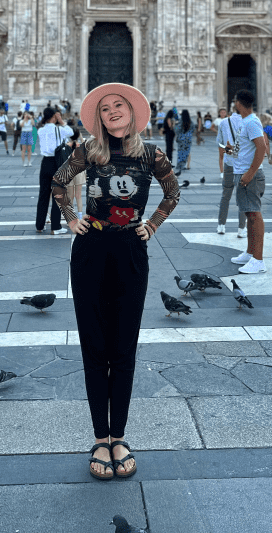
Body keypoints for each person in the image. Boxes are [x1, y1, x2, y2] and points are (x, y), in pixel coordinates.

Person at [51, 82, 179, 480]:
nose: (112, 111)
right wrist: (72, 220)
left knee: (124, 348)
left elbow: (173, 192)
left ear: (132, 112)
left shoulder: (150, 154)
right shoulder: (89, 151)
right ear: (100, 117)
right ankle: (100, 437)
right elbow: (58, 182)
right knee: (94, 349)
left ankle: (119, 436)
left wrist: (152, 224)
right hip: (90, 252)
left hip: (130, 252)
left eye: (118, 105)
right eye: (105, 107)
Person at [227, 90, 267, 274]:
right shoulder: (245, 122)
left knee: (254, 215)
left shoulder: (251, 122)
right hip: (242, 172)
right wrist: (231, 151)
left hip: (249, 175)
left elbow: (262, 146)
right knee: (249, 213)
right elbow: (246, 148)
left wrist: (250, 173)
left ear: (238, 103)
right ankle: (250, 252)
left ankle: (258, 260)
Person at [34, 107, 73, 234]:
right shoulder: (60, 129)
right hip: (57, 163)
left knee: (43, 195)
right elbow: (71, 132)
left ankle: (39, 225)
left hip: (45, 162)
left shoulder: (40, 130)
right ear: (54, 116)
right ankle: (55, 227)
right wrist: (61, 121)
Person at [216, 109, 247, 238]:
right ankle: (241, 228)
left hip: (229, 163)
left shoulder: (224, 122)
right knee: (242, 197)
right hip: (242, 164)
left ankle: (221, 226)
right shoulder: (248, 122)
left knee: (226, 195)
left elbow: (220, 143)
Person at [65, 127, 86, 216]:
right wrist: (80, 136)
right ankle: (80, 216)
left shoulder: (66, 145)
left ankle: (71, 215)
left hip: (69, 172)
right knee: (78, 196)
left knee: (70, 196)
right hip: (79, 172)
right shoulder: (81, 145)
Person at [174, 109, 193, 175]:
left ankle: (179, 165)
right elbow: (193, 129)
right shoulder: (191, 122)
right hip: (188, 140)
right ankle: (184, 165)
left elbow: (176, 130)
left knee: (180, 152)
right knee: (186, 152)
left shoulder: (180, 122)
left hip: (181, 139)